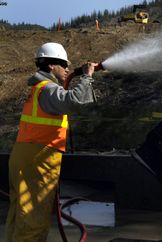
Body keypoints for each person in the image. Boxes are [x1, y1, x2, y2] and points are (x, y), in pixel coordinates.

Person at [5, 42, 98, 242]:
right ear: (50, 66)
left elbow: (62, 96)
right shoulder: (47, 90)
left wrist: (78, 74)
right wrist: (88, 76)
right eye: (63, 64)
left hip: (26, 156)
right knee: (33, 220)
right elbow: (73, 101)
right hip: (38, 160)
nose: (67, 68)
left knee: (20, 215)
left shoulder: (41, 88)